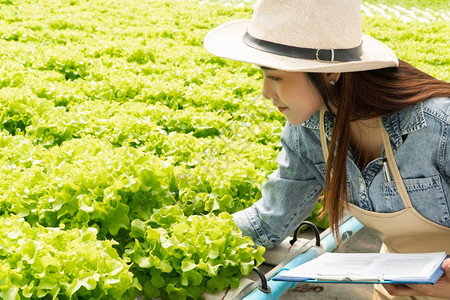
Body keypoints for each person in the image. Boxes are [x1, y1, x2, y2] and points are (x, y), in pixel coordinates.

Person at [204, 0, 450, 299]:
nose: (265, 93)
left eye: (275, 77)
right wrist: (197, 240)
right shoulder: (308, 131)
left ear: (330, 74)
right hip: (396, 289)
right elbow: (269, 220)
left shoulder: (439, 126)